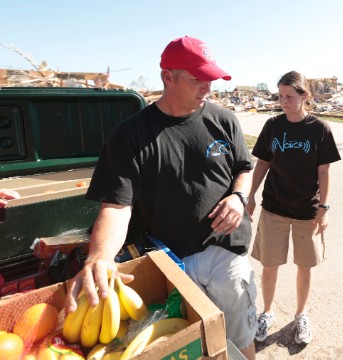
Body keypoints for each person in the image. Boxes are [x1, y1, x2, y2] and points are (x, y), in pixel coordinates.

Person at [64, 36, 258, 359]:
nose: (207, 87)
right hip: (174, 263)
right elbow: (116, 206)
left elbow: (244, 168)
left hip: (227, 254)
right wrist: (99, 256)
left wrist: (238, 197)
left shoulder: (225, 121)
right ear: (168, 77)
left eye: (210, 78)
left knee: (241, 340)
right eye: (198, 79)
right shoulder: (130, 136)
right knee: (193, 347)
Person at [248, 70, 340, 345]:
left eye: (289, 96)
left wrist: (323, 207)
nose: (283, 101)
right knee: (269, 264)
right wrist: (250, 195)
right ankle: (266, 312)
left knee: (304, 266)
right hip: (274, 208)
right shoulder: (273, 126)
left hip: (306, 211)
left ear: (304, 97)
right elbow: (263, 163)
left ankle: (301, 315)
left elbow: (323, 171)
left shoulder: (319, 129)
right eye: (280, 96)